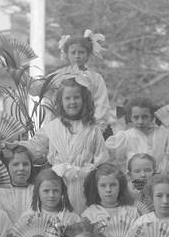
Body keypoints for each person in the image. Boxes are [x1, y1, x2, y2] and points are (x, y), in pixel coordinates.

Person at [18, 77, 108, 213]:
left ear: (84, 100)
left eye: (76, 97)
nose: (72, 102)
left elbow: (102, 161)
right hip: (58, 187)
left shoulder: (93, 130)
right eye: (67, 98)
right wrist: (11, 145)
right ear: (61, 101)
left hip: (86, 188)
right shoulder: (52, 128)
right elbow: (34, 148)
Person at [51, 30, 116, 132]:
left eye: (81, 52)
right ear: (67, 54)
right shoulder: (58, 75)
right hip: (64, 126)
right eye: (73, 52)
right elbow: (48, 96)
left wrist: (96, 127)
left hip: (89, 126)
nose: (77, 56)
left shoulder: (95, 78)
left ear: (88, 55)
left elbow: (101, 103)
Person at [104, 96, 169, 173]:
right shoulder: (126, 136)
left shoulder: (164, 134)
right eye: (136, 117)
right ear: (130, 118)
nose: (140, 121)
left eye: (145, 117)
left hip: (159, 178)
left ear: (152, 116)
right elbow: (106, 148)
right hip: (135, 180)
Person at [0, 145, 35, 223]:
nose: (21, 168)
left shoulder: (37, 191)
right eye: (15, 164)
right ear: (7, 166)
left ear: (31, 166)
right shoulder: (0, 192)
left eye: (25, 164)